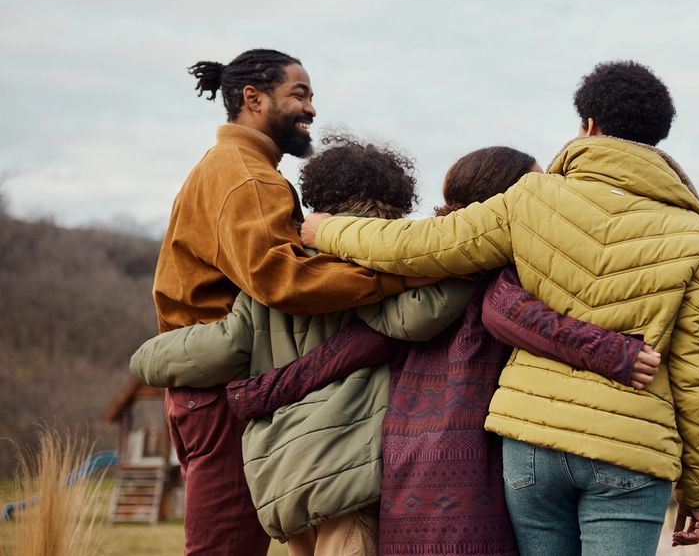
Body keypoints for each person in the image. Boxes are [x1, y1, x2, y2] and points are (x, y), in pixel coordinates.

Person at [136, 140, 660, 556]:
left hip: (291, 471)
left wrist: (146, 360)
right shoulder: (421, 266)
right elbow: (420, 320)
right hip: (363, 469)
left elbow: (221, 346)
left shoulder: (281, 277)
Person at [301, 61, 699, 555]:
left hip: (532, 443)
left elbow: (420, 244)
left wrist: (323, 230)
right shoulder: (693, 233)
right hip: (630, 448)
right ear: (658, 140)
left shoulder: (532, 198)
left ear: (588, 125)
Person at [154, 50, 415, 556]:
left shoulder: (233, 167)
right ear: (253, 99)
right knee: (226, 548)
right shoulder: (248, 177)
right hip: (219, 387)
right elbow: (282, 280)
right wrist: (394, 277)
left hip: (207, 385)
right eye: (299, 94)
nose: (311, 109)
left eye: (311, 95)